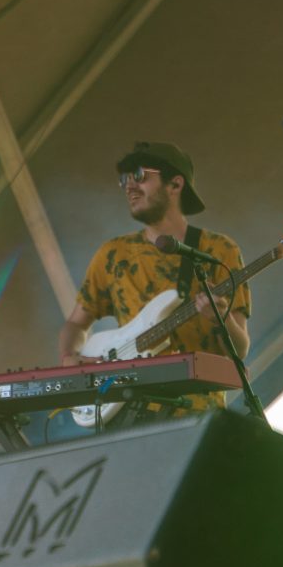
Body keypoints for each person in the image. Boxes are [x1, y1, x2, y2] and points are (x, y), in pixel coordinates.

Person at [49, 142, 250, 435]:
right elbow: (76, 324)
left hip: (197, 417)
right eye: (124, 180)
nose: (129, 186)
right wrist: (70, 356)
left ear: (175, 184)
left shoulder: (219, 250)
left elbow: (240, 349)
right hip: (128, 413)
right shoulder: (113, 254)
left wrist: (221, 319)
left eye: (140, 175)